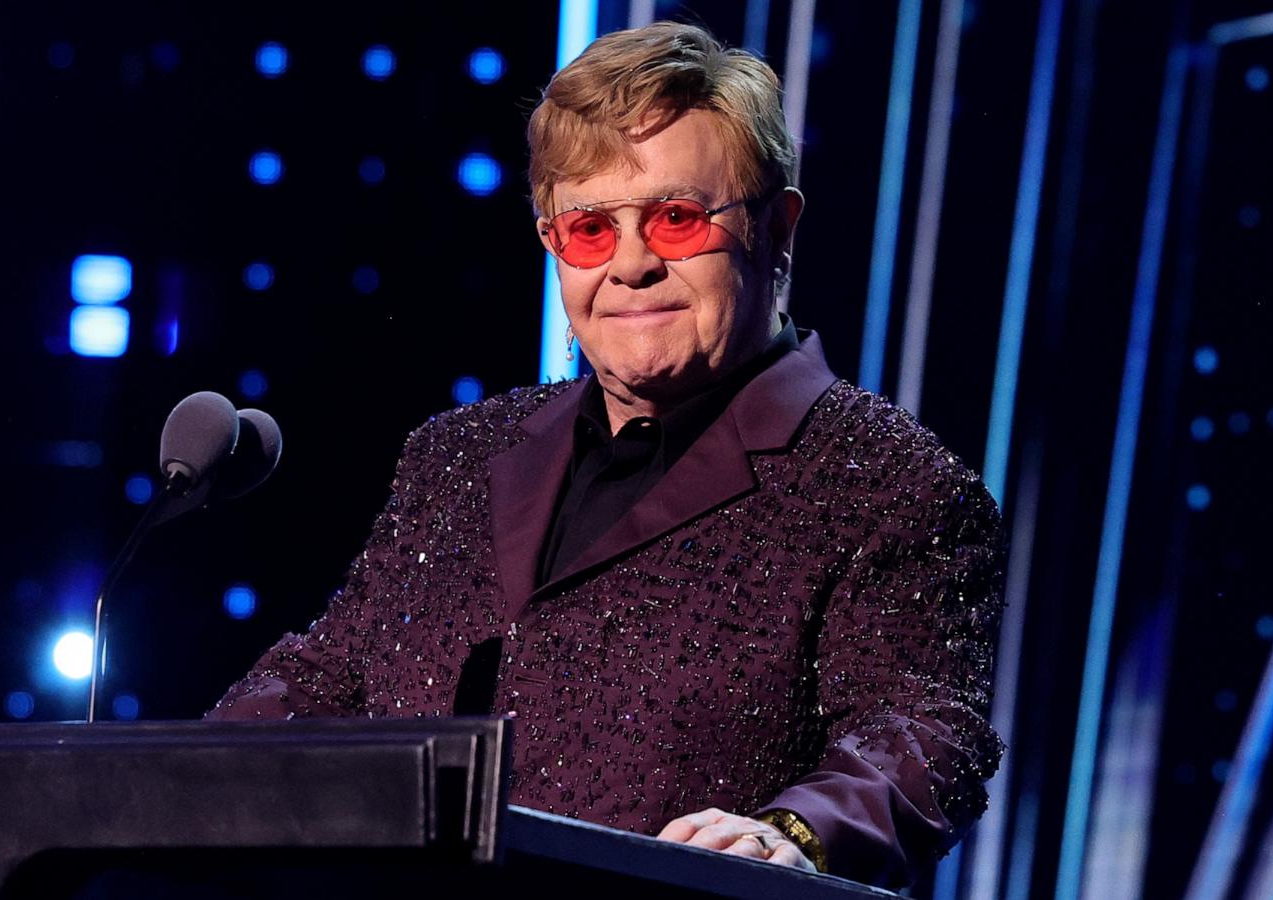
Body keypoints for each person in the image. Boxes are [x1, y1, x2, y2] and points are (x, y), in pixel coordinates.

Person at [207, 21, 1005, 890]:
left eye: (675, 218)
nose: (630, 265)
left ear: (777, 227)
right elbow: (327, 676)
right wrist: (159, 780)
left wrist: (791, 836)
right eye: (588, 229)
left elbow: (924, 729)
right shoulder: (457, 458)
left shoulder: (892, 482)